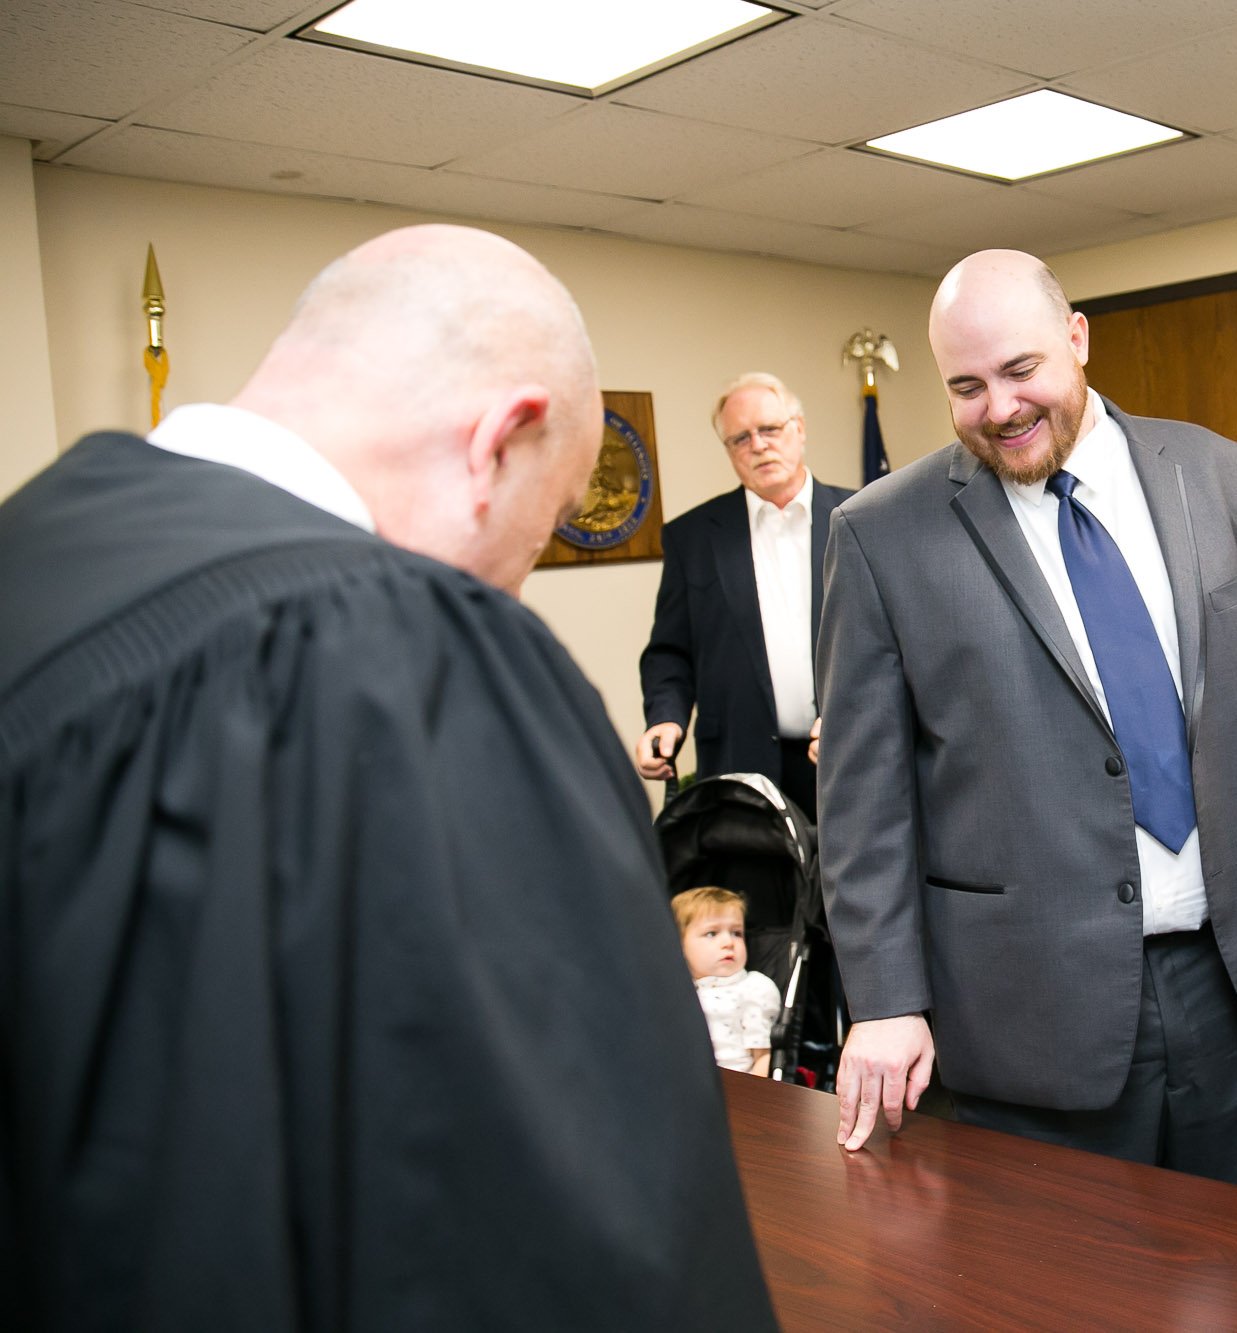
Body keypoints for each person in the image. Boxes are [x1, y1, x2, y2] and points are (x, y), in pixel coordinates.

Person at [0, 225, 778, 1330]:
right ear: (496, 442)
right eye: (543, 527)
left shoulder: (33, 554)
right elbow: (573, 1222)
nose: (514, 589)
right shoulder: (406, 660)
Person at [817, 249, 1237, 1195]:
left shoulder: (1219, 476)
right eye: (967, 386)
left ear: (1077, 338)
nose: (1001, 408)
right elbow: (864, 800)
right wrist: (887, 998)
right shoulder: (880, 535)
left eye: (1022, 371)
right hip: (1029, 1009)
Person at [636, 373, 854, 819]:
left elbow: (899, 644)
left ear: (799, 429)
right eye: (740, 438)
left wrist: (855, 714)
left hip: (845, 756)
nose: (757, 444)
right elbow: (669, 652)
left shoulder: (860, 518)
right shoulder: (692, 538)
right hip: (742, 765)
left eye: (769, 429)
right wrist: (665, 716)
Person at [675, 886, 783, 1078]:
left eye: (736, 933)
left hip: (735, 1084)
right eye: (711, 934)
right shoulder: (674, 990)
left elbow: (761, 1054)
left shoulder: (753, 988)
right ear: (679, 945)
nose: (728, 942)